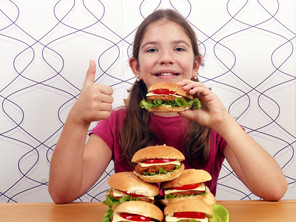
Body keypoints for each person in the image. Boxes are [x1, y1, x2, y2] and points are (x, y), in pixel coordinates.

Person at [48, 9, 287, 204]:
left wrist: (225, 124)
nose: (166, 58)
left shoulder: (215, 123)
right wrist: (77, 121)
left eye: (179, 48)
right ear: (136, 68)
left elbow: (274, 190)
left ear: (196, 66)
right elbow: (63, 193)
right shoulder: (116, 122)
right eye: (152, 49)